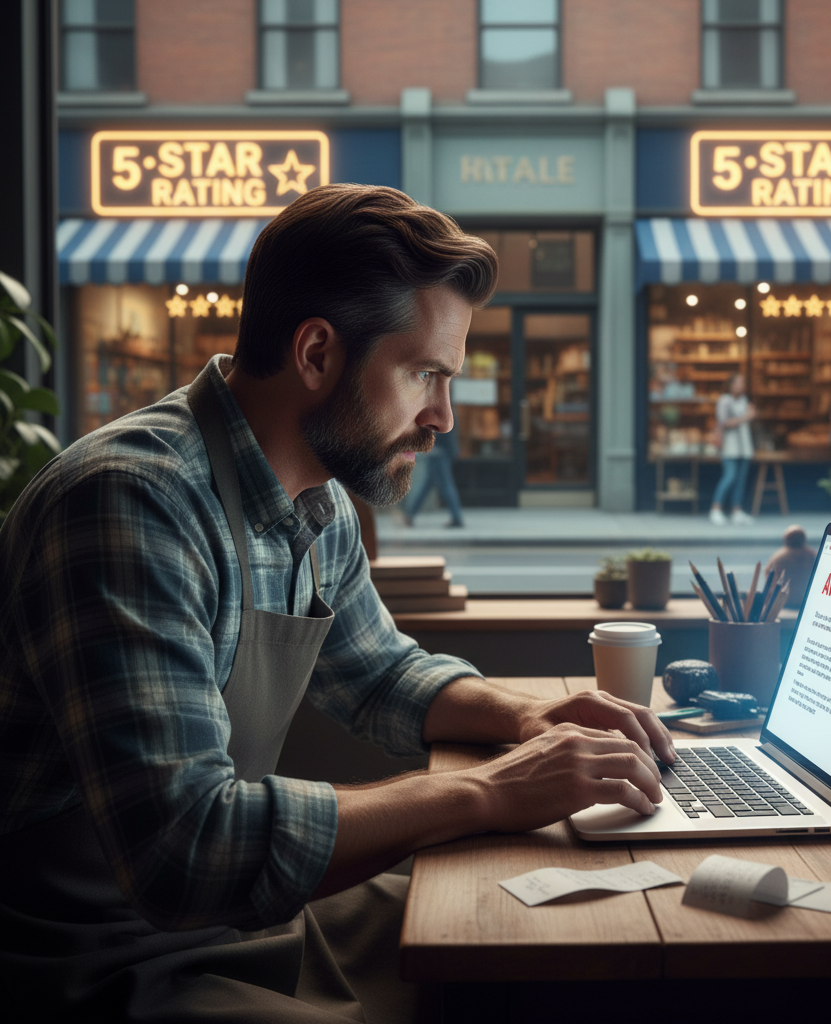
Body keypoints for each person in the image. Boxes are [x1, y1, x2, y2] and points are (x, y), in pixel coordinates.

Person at [0, 184, 676, 1023]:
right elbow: (186, 851)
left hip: (239, 921)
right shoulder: (130, 504)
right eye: (425, 374)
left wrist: (525, 716)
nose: (444, 418)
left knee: (537, 925)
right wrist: (488, 790)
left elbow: (379, 674)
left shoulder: (319, 500)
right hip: (94, 956)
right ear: (317, 354)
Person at [403, 408, 465, 527]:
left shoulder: (442, 411)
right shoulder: (446, 411)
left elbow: (442, 433)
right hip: (439, 454)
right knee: (428, 486)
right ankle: (410, 515)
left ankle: (457, 518)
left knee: (445, 486)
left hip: (438, 454)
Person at [709, 372, 756, 525]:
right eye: (738, 383)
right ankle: (716, 508)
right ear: (730, 385)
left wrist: (750, 414)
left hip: (744, 447)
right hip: (729, 447)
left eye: (743, 383)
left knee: (740, 480)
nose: (741, 386)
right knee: (729, 477)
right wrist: (747, 416)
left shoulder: (744, 400)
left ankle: (736, 511)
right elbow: (724, 423)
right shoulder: (725, 401)